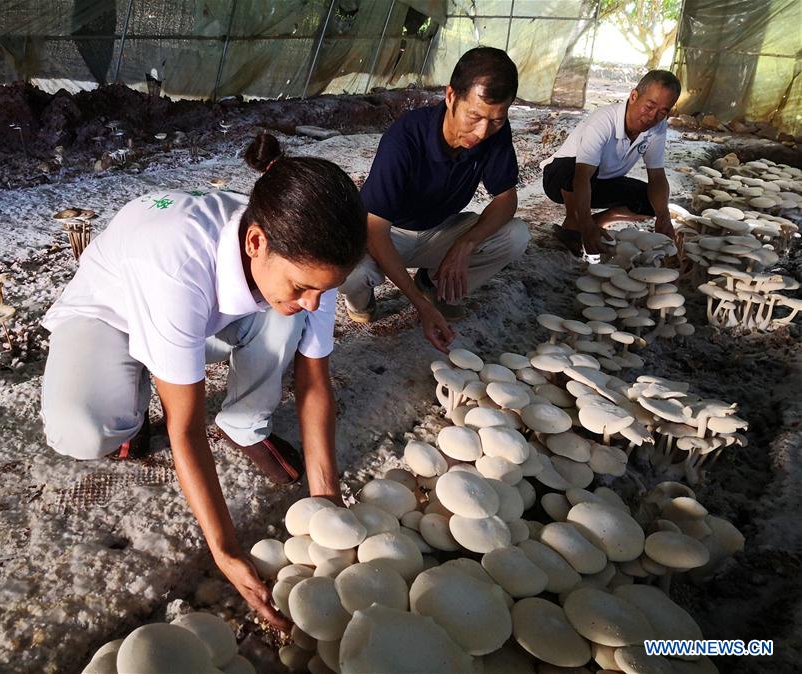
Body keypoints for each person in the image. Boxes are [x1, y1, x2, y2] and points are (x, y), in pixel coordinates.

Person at [40, 133, 366, 630]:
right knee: (83, 430)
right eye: (305, 286)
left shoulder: (302, 257)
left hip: (199, 320)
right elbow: (185, 428)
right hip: (113, 317)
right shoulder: (177, 262)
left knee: (287, 315)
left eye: (324, 290)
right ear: (255, 242)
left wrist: (327, 503)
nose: (315, 302)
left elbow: (314, 381)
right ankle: (135, 387)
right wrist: (225, 548)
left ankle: (242, 421)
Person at [338, 46, 530, 351]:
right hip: (388, 233)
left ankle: (432, 283)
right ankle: (362, 299)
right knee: (350, 273)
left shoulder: (496, 132)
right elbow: (375, 230)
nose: (482, 132)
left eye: (496, 120)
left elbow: (506, 198)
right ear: (451, 96)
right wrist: (419, 307)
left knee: (515, 235)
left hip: (438, 230)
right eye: (475, 116)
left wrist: (464, 244)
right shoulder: (405, 138)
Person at [540, 69, 682, 256]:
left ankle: (602, 219)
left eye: (662, 112)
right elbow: (582, 176)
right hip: (561, 180)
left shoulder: (657, 127)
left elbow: (656, 175)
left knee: (653, 202)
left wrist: (663, 216)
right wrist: (584, 224)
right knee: (574, 169)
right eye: (649, 106)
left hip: (601, 183)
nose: (652, 117)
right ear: (633, 96)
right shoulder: (604, 120)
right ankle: (574, 224)